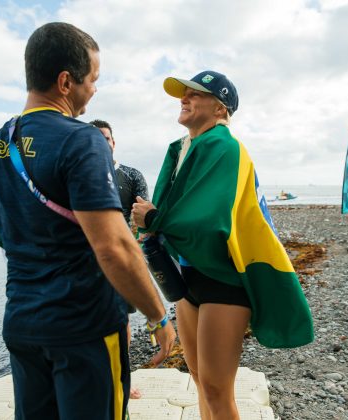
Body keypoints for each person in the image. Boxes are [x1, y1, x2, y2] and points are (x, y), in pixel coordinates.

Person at [0, 22, 175, 420]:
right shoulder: (82, 139)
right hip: (84, 327)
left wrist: (34, 242)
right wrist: (158, 316)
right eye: (93, 79)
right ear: (66, 81)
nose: (94, 89)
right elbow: (113, 248)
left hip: (23, 323)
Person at [132, 70, 314, 419]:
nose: (185, 99)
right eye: (183, 94)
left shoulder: (225, 146)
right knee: (200, 380)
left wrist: (154, 220)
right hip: (190, 278)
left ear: (220, 108)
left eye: (195, 94)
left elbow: (212, 218)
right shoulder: (184, 148)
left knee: (218, 388)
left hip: (224, 280)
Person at [90, 118, 150, 399]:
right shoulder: (77, 173)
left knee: (120, 321)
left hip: (121, 258)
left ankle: (122, 380)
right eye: (94, 138)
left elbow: (143, 216)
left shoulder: (131, 175)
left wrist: (132, 247)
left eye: (106, 138)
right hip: (85, 260)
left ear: (113, 143)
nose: (101, 143)